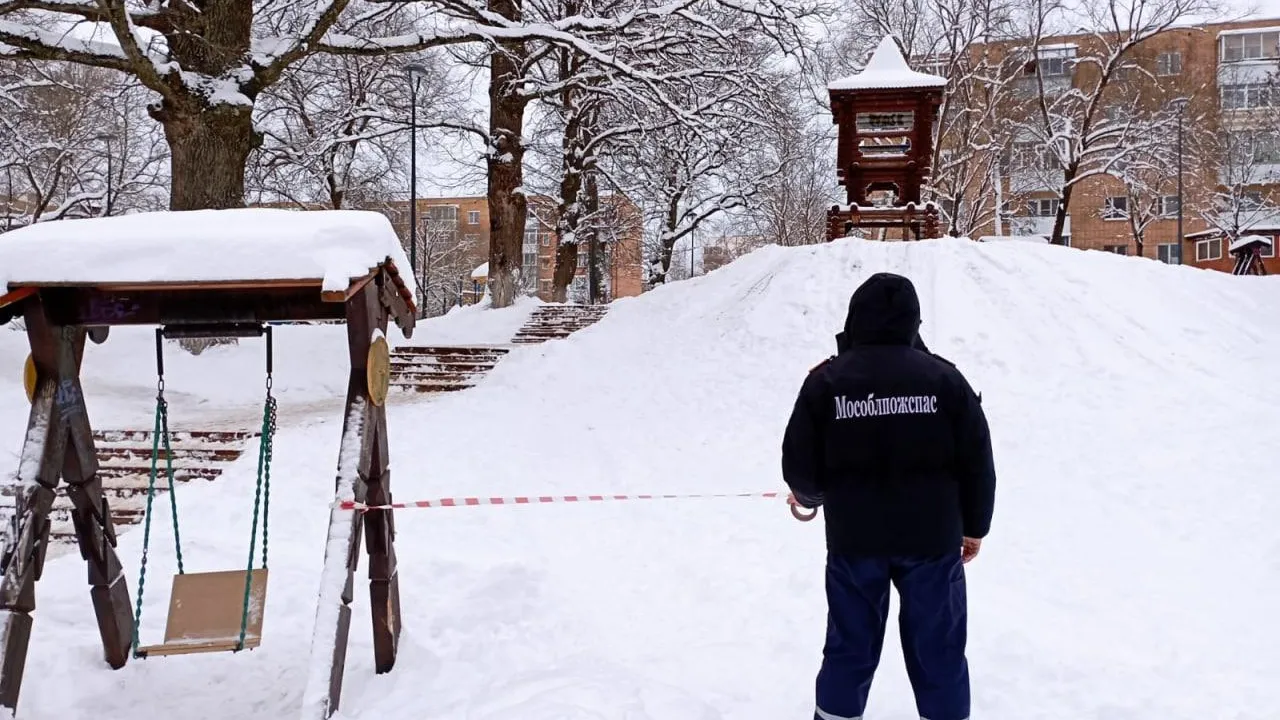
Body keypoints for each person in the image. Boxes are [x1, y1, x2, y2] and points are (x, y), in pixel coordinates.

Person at [781, 272, 996, 720]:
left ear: (855, 316)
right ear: (913, 320)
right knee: (939, 648)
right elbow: (978, 461)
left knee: (849, 644)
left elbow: (799, 463)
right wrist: (974, 528)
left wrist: (809, 496)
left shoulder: (826, 381)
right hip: (933, 543)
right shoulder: (945, 379)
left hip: (855, 542)